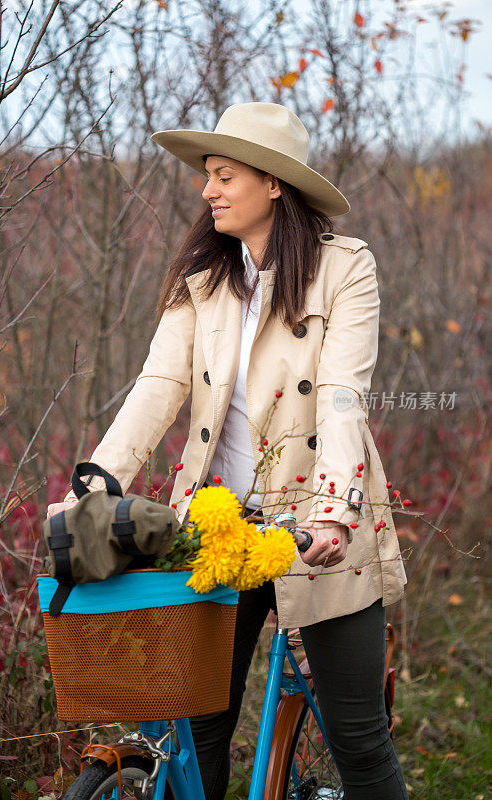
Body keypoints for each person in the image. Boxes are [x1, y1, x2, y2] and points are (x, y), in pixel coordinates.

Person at [48, 102, 409, 799]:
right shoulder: (204, 282)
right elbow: (155, 391)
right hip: (218, 527)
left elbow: (339, 395)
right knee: (194, 727)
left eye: (223, 174)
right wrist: (90, 488)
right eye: (207, 175)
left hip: (313, 526)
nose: (206, 189)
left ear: (273, 182)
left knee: (358, 740)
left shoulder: (343, 268)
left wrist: (333, 512)